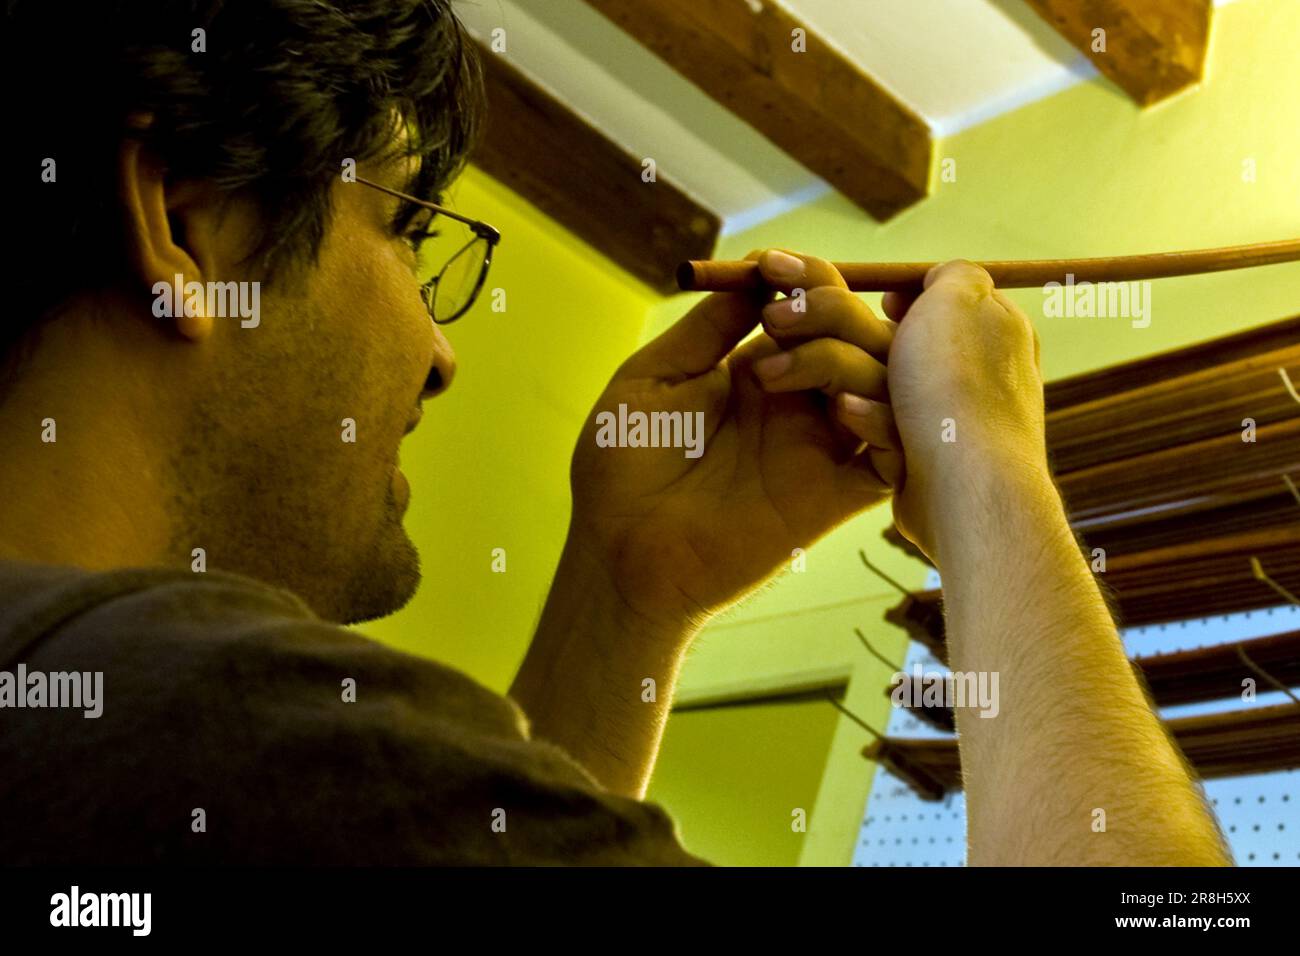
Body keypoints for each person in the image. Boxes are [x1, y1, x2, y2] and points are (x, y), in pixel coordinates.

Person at [0, 0, 1229, 866]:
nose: (441, 353)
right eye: (410, 233)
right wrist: (994, 468)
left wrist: (633, 590)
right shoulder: (231, 737)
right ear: (189, 222)